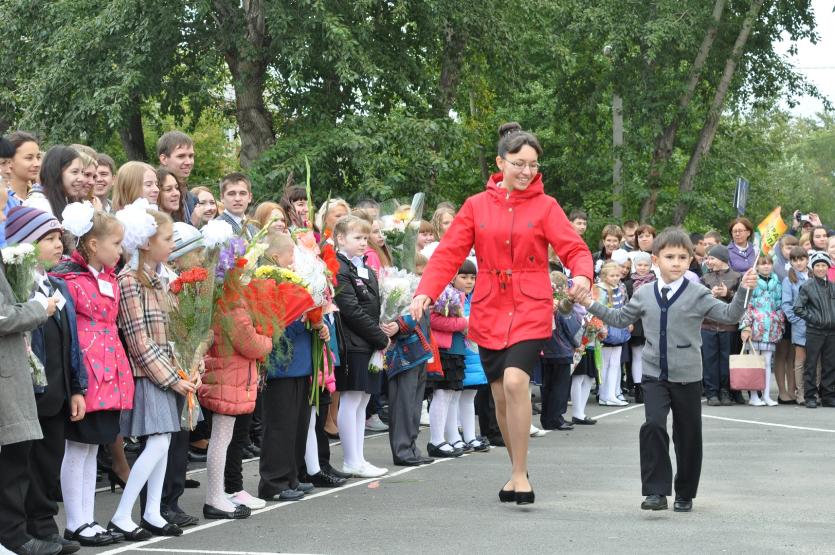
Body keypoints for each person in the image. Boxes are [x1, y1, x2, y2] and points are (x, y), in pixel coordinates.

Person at [411, 122, 593, 506]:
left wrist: (581, 275)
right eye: (518, 163)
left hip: (530, 305)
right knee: (498, 396)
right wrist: (426, 292)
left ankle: (518, 475)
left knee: (515, 383)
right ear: (500, 162)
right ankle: (518, 470)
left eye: (532, 165)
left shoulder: (547, 206)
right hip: (490, 307)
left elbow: (575, 249)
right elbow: (448, 254)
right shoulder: (476, 206)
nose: (526, 171)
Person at [580, 228, 757, 513]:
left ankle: (685, 492)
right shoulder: (644, 292)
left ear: (690, 261)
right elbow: (619, 316)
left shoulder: (698, 292)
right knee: (653, 425)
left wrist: (745, 289)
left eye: (682, 257)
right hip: (653, 373)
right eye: (669, 256)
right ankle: (655, 491)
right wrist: (589, 303)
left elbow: (730, 315)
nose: (676, 262)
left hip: (687, 374)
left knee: (687, 434)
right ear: (655, 259)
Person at [108, 203, 196, 541]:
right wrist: (174, 380)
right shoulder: (129, 281)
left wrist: (186, 367)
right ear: (145, 242)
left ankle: (152, 511)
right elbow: (138, 341)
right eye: (167, 238)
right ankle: (121, 514)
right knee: (157, 443)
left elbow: (172, 331)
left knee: (164, 441)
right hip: (149, 375)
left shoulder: (158, 280)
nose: (172, 244)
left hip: (167, 371)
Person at [4, 206, 89, 555]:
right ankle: (25, 530)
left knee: (50, 460)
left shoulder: (56, 285)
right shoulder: (16, 284)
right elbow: (12, 322)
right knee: (26, 464)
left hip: (57, 389)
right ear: (26, 243)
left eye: (59, 238)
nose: (59, 245)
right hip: (29, 390)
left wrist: (77, 386)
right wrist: (39, 308)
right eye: (49, 239)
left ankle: (44, 526)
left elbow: (71, 343)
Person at [52, 206, 134, 546]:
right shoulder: (69, 279)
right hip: (86, 369)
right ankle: (75, 521)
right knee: (78, 445)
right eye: (115, 243)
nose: (120, 250)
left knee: (92, 446)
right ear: (92, 245)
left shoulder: (108, 278)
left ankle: (87, 517)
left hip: (109, 367)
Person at [0, 187, 60, 555]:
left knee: (19, 455)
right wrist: (38, 308)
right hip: (6, 373)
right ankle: (13, 536)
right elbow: (4, 316)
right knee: (12, 460)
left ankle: (16, 534)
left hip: (14, 371)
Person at [201, 225, 273, 515]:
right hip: (228, 379)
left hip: (230, 379)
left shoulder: (226, 299)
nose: (249, 275)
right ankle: (215, 496)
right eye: (244, 269)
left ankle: (223, 492)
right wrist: (267, 338)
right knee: (222, 440)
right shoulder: (231, 303)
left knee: (229, 439)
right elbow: (251, 344)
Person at [333, 215, 390, 478]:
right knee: (352, 398)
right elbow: (351, 310)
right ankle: (351, 459)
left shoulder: (363, 266)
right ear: (341, 238)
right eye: (357, 238)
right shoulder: (339, 267)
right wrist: (379, 337)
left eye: (365, 238)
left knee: (363, 400)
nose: (363, 243)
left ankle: (359, 457)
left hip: (367, 341)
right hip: (353, 343)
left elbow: (373, 304)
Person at [426, 263, 472, 457]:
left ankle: (453, 436)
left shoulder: (461, 296)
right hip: (444, 349)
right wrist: (465, 322)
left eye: (472, 277)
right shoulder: (444, 293)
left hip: (458, 349)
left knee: (452, 394)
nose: (469, 281)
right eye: (463, 277)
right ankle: (436, 440)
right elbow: (434, 320)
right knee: (442, 393)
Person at [739, 255, 785, 406]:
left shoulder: (777, 283)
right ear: (757, 266)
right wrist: (745, 325)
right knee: (754, 361)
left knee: (766, 362)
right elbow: (745, 305)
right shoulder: (751, 282)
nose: (766, 266)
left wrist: (779, 320)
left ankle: (766, 395)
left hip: (770, 326)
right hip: (754, 325)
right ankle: (753, 395)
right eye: (762, 264)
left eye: (769, 264)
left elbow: (779, 304)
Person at [539, 271, 582, 430]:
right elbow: (571, 329)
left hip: (545, 350)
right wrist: (578, 343)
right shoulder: (562, 305)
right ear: (563, 287)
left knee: (547, 386)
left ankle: (547, 418)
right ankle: (557, 418)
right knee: (560, 386)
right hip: (562, 350)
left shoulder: (544, 304)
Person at [793, 251, 835, 409]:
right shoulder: (807, 286)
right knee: (811, 364)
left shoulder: (832, 286)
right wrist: (814, 319)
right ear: (813, 267)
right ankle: (810, 396)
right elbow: (798, 308)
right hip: (815, 331)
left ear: (827, 267)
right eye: (817, 265)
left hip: (832, 331)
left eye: (823, 265)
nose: (820, 268)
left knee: (830, 365)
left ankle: (828, 396)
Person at [700, 245, 741, 406]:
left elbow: (743, 301)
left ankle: (726, 391)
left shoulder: (737, 277)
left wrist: (727, 294)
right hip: (707, 326)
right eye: (708, 258)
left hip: (729, 326)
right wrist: (709, 295)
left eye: (712, 258)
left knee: (727, 360)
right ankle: (712, 392)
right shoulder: (704, 278)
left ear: (722, 259)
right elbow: (699, 301)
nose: (708, 261)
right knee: (709, 360)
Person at [595, 261, 631, 406]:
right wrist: (601, 328)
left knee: (616, 364)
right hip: (606, 330)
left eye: (617, 275)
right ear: (604, 276)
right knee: (605, 364)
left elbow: (623, 307)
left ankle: (612, 393)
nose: (616, 278)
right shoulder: (599, 289)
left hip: (619, 329)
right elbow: (597, 310)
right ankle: (604, 395)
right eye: (612, 275)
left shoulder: (619, 288)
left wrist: (627, 322)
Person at [25, 146, 85, 219]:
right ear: (56, 172)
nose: (82, 178)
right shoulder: (39, 207)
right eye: (75, 172)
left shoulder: (66, 201)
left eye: (82, 172)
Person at [627, 251, 656, 403]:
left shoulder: (657, 282)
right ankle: (639, 388)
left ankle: (651, 386)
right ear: (634, 266)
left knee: (652, 357)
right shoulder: (628, 283)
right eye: (639, 265)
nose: (643, 268)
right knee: (637, 356)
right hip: (636, 324)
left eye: (646, 265)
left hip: (653, 322)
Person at [782, 246, 809, 404]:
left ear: (807, 259)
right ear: (790, 261)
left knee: (816, 360)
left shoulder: (813, 274)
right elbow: (786, 304)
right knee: (800, 360)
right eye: (795, 260)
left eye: (801, 259)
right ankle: (801, 394)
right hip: (800, 325)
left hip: (816, 324)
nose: (798, 263)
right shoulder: (789, 279)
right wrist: (797, 320)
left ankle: (813, 391)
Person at [157, 131, 196, 222]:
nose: (188, 162)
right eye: (181, 156)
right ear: (164, 159)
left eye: (191, 156)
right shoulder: (152, 196)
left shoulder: (191, 198)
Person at [218, 173, 257, 239]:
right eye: (231, 194)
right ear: (222, 197)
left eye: (242, 193)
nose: (237, 199)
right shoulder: (215, 229)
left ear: (250, 197)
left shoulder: (255, 230)